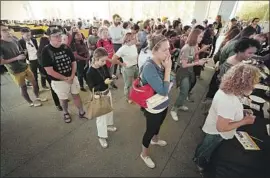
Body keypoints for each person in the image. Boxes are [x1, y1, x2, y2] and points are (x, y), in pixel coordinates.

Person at [193, 63, 260, 173]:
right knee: (206, 150)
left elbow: (226, 112)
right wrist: (244, 121)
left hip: (212, 127)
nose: (253, 87)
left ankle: (199, 158)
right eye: (252, 84)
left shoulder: (228, 89)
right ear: (244, 84)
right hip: (216, 133)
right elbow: (222, 128)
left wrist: (241, 111)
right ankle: (199, 163)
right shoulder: (229, 101)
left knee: (205, 146)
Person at [140, 34, 173, 169]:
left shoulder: (162, 62)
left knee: (160, 123)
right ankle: (144, 154)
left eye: (168, 49)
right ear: (154, 50)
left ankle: (155, 140)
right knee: (150, 129)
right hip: (153, 106)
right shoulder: (149, 66)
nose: (168, 53)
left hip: (162, 103)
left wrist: (167, 70)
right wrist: (169, 69)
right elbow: (164, 90)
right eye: (164, 50)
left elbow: (171, 81)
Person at [41, 28, 87, 123]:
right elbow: (49, 71)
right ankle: (65, 112)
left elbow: (73, 62)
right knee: (63, 99)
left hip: (72, 77)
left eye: (60, 35)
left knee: (76, 95)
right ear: (50, 38)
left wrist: (72, 75)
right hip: (59, 81)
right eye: (55, 36)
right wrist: (65, 78)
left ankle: (81, 111)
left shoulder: (65, 47)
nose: (59, 38)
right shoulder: (46, 51)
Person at [0, 23, 46, 107]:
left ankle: (37, 97)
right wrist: (16, 58)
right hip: (15, 70)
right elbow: (1, 62)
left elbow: (20, 49)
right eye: (4, 30)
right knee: (23, 87)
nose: (8, 31)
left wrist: (23, 53)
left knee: (34, 83)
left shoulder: (14, 38)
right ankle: (30, 102)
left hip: (24, 66)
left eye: (7, 29)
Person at [170, 29, 208, 120]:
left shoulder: (194, 46)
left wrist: (199, 60)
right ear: (195, 36)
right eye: (200, 36)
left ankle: (180, 104)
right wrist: (197, 63)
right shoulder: (187, 48)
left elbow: (193, 58)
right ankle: (174, 109)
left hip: (189, 70)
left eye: (202, 36)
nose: (201, 39)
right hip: (183, 71)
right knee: (184, 91)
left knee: (186, 90)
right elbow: (184, 64)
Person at [86, 48, 117, 148]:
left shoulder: (103, 66)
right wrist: (104, 83)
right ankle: (101, 136)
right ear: (95, 59)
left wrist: (111, 77)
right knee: (101, 118)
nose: (104, 63)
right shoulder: (90, 72)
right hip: (99, 96)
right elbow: (92, 88)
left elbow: (107, 75)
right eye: (102, 61)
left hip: (107, 92)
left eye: (105, 60)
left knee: (109, 111)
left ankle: (108, 126)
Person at [37, 32, 63, 111]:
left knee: (56, 87)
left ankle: (59, 101)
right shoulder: (45, 52)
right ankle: (58, 103)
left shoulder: (40, 52)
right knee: (54, 87)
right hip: (50, 73)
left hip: (51, 73)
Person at [112, 33, 138, 103]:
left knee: (137, 82)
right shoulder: (123, 48)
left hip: (135, 67)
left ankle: (136, 94)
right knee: (128, 84)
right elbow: (113, 58)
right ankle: (128, 98)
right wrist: (122, 64)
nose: (136, 39)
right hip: (128, 68)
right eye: (134, 38)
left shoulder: (134, 46)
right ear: (128, 40)